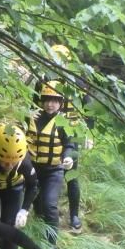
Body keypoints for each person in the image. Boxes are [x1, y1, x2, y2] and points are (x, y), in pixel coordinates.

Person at [41, 44, 94, 232]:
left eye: (60, 61)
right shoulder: (45, 81)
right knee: (44, 171)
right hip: (48, 129)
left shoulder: (76, 82)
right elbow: (35, 104)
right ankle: (41, 211)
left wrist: (89, 133)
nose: (56, 65)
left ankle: (74, 215)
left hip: (71, 131)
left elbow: (89, 107)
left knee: (71, 175)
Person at [25, 81, 75, 246]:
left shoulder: (62, 123)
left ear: (60, 103)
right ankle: (34, 230)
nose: (50, 104)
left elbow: (69, 145)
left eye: (54, 101)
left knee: (49, 205)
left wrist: (68, 157)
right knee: (36, 204)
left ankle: (51, 244)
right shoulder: (32, 117)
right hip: (32, 168)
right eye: (47, 100)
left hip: (53, 170)